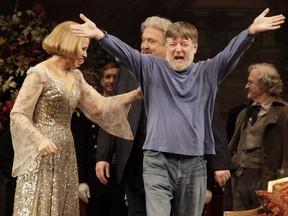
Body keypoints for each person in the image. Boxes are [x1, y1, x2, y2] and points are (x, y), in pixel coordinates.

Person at [71, 8, 285, 216]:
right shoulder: (151, 67)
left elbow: (231, 52)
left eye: (184, 44)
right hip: (157, 162)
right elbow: (125, 52)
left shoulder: (208, 71)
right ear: (167, 47)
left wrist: (250, 32)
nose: (178, 49)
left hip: (194, 164)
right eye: (173, 44)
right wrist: (100, 35)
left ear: (195, 47)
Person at [9, 21, 141, 216]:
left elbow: (101, 106)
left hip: (65, 152)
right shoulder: (39, 73)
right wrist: (40, 140)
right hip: (42, 154)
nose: (85, 55)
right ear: (70, 43)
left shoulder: (76, 76)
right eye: (83, 48)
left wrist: (136, 94)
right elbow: (18, 113)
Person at [96, 16, 172, 216]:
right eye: (143, 40)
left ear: (168, 44)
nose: (145, 46)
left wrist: (217, 164)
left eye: (152, 41)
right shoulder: (127, 71)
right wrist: (103, 155)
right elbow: (113, 109)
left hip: (169, 163)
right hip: (134, 160)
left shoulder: (181, 71)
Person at [228, 63, 288, 211]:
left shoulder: (283, 113)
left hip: (266, 180)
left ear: (264, 85)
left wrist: (282, 180)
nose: (246, 86)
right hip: (241, 179)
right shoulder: (244, 113)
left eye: (250, 82)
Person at [72, 62, 128, 216]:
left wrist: (132, 186)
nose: (111, 80)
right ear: (102, 81)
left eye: (115, 77)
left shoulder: (130, 108)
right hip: (94, 176)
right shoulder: (90, 109)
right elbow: (80, 147)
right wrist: (81, 181)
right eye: (107, 77)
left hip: (120, 176)